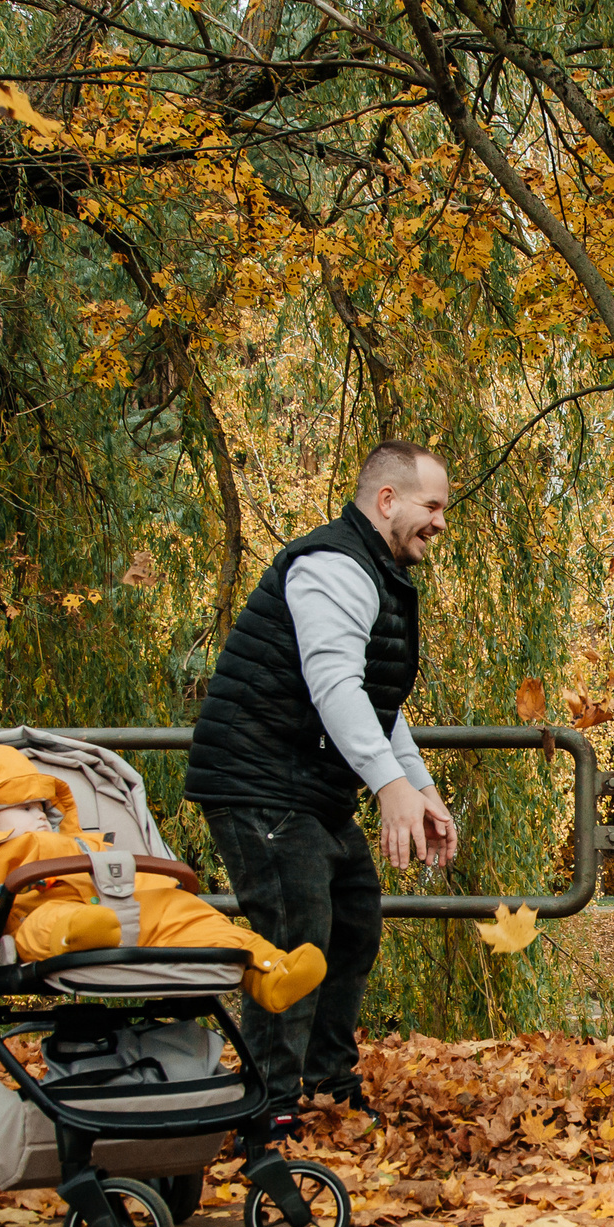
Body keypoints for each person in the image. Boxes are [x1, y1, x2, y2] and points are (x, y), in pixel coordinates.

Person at [184, 440, 460, 1118]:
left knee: (354, 921)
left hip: (308, 787)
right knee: (295, 938)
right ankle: (269, 1110)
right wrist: (388, 788)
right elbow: (334, 685)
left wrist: (419, 788)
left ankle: (325, 1087)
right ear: (387, 500)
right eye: (431, 506)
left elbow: (373, 701)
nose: (440, 522)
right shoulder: (333, 566)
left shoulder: (374, 569)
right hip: (260, 781)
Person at [0, 743, 328, 1010]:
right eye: (24, 808)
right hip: (37, 915)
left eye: (43, 807)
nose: (40, 816)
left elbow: (130, 874)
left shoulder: (81, 842)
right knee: (49, 923)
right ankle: (83, 933)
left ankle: (269, 970)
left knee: (187, 912)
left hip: (119, 908)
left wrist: (165, 891)